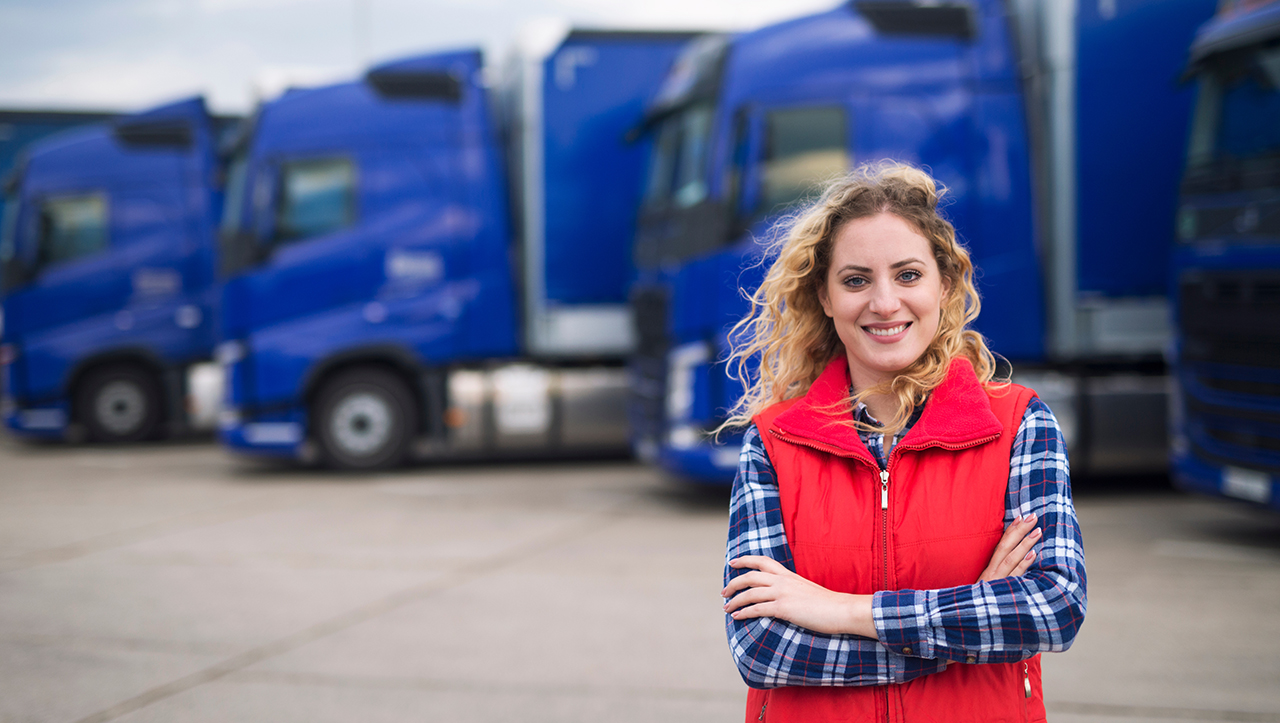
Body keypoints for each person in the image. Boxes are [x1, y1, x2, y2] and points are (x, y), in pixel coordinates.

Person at [718, 162, 1086, 722]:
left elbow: (1053, 607)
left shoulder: (1017, 424)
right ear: (824, 296)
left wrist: (842, 611)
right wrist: (961, 631)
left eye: (909, 275)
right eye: (857, 279)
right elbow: (763, 650)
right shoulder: (773, 443)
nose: (885, 303)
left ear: (945, 282)